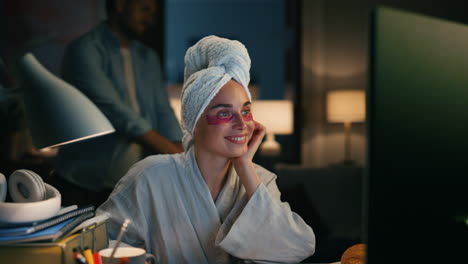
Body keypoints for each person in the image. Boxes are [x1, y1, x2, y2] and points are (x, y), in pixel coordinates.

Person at [97, 35, 316, 264]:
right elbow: (102, 242)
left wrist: (244, 166)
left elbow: (297, 248)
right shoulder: (150, 177)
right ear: (194, 123)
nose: (242, 124)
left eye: (245, 111)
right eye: (224, 113)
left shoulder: (258, 180)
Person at [54, 0, 183, 206]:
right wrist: (172, 152)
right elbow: (115, 112)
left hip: (134, 185)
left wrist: (181, 150)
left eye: (153, 13)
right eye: (144, 9)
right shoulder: (85, 49)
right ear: (121, 5)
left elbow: (162, 110)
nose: (150, 18)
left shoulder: (147, 57)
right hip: (84, 184)